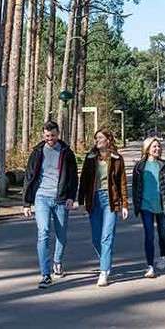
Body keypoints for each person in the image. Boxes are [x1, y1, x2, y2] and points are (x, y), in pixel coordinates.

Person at [22, 120, 78, 289]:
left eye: (53, 136)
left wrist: (71, 197)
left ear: (58, 134)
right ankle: (45, 274)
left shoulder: (67, 152)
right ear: (43, 135)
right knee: (43, 232)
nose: (50, 139)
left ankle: (57, 262)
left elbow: (73, 177)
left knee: (61, 235)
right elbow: (29, 176)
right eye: (47, 136)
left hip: (60, 198)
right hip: (41, 197)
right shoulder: (37, 152)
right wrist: (26, 202)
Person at [77, 128, 129, 287]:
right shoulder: (90, 157)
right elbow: (84, 181)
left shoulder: (117, 158)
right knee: (95, 238)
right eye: (96, 138)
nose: (97, 140)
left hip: (110, 201)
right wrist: (80, 202)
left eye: (100, 138)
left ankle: (103, 271)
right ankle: (105, 261)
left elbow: (122, 183)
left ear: (108, 140)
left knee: (107, 236)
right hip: (94, 200)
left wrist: (125, 204)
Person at [131, 136, 165, 278]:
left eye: (158, 146)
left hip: (161, 204)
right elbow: (135, 187)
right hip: (145, 205)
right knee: (149, 235)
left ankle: (162, 256)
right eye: (154, 146)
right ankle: (150, 266)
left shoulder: (164, 165)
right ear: (147, 149)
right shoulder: (139, 167)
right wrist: (136, 204)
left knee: (162, 233)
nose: (157, 149)